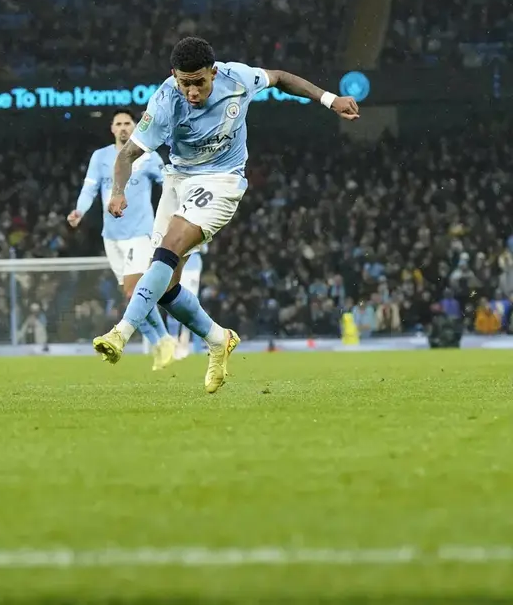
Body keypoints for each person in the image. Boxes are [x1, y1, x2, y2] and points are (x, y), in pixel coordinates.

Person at [92, 38, 360, 393]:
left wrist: (329, 99)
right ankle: (218, 338)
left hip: (222, 180)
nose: (191, 91)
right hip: (178, 180)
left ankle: (121, 333)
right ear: (174, 76)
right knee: (166, 285)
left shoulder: (237, 79)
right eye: (184, 82)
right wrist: (117, 192)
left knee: (167, 249)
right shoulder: (164, 100)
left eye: (198, 82)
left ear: (213, 73)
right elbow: (127, 155)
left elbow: (279, 77)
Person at [68, 108, 176, 371]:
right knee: (133, 295)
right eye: (119, 124)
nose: (124, 127)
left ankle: (163, 340)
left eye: (128, 123)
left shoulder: (147, 157)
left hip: (140, 233)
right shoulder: (101, 157)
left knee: (132, 290)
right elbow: (89, 188)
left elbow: (169, 182)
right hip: (112, 236)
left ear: (135, 126)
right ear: (112, 129)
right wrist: (79, 211)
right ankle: (159, 343)